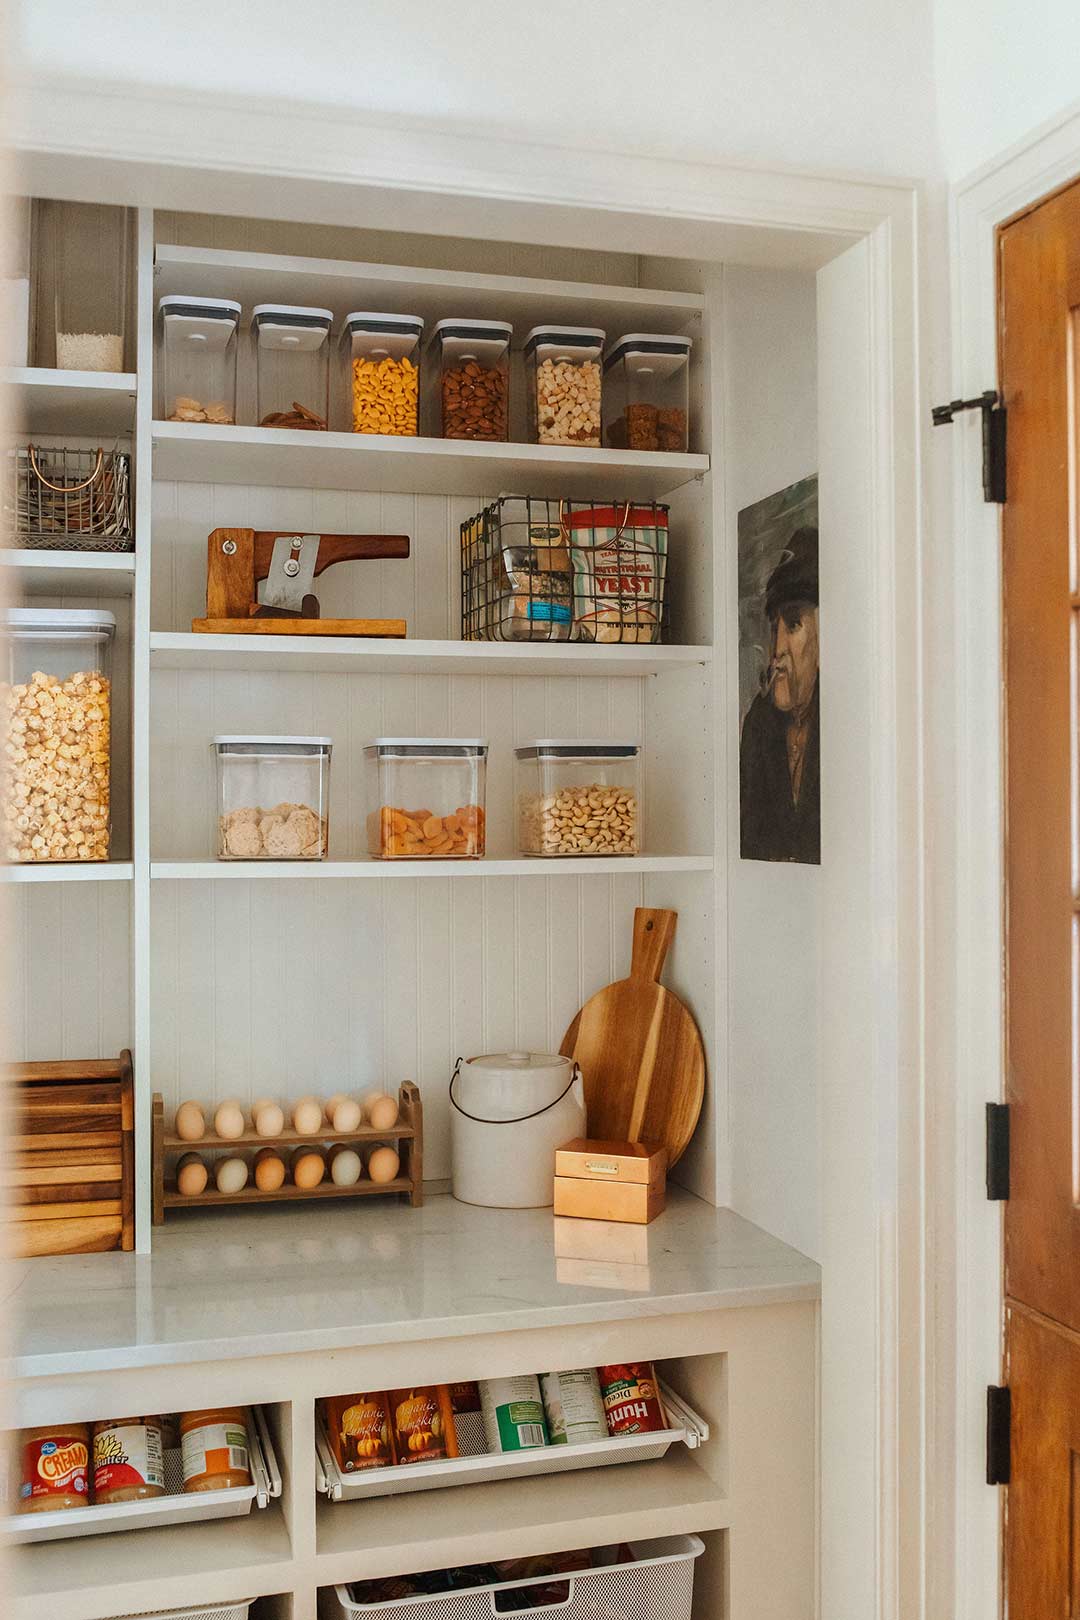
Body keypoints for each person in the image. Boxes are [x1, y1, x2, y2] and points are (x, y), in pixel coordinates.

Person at [739, 526, 820, 863]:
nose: (777, 650)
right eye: (775, 629)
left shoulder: (850, 719)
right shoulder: (761, 724)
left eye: (794, 626)